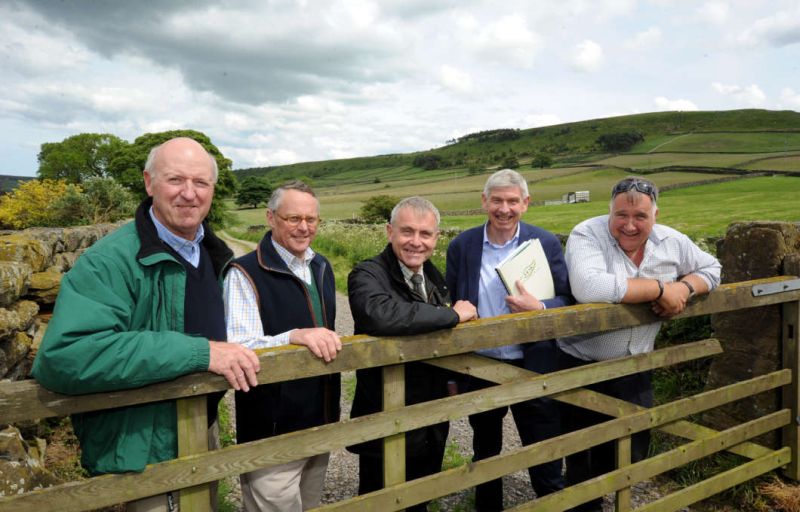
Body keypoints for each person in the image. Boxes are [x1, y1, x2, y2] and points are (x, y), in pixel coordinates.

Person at [32, 137, 261, 511]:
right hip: (142, 446)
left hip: (200, 425)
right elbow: (65, 356)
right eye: (175, 180)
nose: (189, 193)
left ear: (212, 190)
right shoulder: (109, 261)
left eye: (201, 183)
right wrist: (199, 352)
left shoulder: (211, 252)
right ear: (149, 182)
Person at [557, 176, 721, 512]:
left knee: (630, 451)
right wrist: (662, 290)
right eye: (621, 216)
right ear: (609, 213)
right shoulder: (587, 233)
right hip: (584, 367)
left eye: (640, 217)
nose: (629, 226)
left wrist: (686, 288)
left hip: (636, 368)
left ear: (655, 215)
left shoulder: (672, 241)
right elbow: (590, 288)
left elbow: (713, 268)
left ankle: (612, 498)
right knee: (582, 455)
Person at [446, 169, 572, 511]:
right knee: (486, 449)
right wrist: (453, 374)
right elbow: (451, 309)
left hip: (534, 362)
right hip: (481, 365)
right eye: (497, 200)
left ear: (526, 203)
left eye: (513, 201)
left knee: (543, 446)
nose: (505, 208)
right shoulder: (461, 246)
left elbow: (567, 298)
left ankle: (552, 504)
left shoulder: (544, 243)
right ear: (484, 202)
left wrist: (541, 307)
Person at [347, 196, 477, 511]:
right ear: (390, 231)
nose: (416, 242)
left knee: (420, 498)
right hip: (384, 412)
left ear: (436, 238)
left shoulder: (433, 276)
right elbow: (380, 314)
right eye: (407, 232)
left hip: (429, 417)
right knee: (379, 500)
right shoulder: (367, 273)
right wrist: (452, 316)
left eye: (425, 234)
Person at [224, 180, 341, 512]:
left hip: (319, 417)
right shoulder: (244, 272)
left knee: (310, 503)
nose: (304, 228)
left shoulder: (321, 266)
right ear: (271, 217)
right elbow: (238, 346)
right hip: (272, 428)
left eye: (311, 219)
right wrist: (292, 336)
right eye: (293, 219)